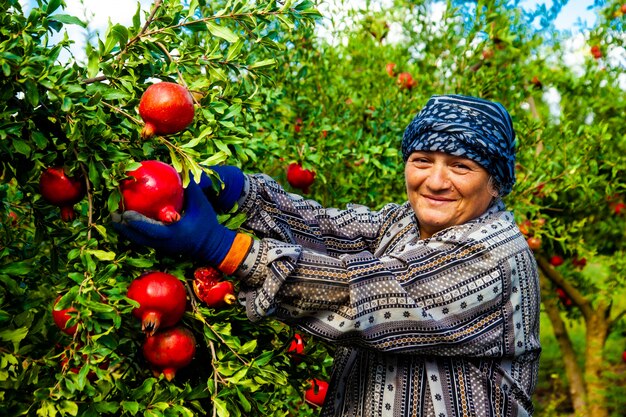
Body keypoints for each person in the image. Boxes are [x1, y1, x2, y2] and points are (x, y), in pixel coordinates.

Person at [113, 94, 541, 417]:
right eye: (422, 160)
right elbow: (328, 230)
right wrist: (244, 193)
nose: (435, 180)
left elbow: (364, 299)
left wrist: (224, 249)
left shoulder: (492, 257)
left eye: (461, 167)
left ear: (497, 182)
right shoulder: (403, 224)